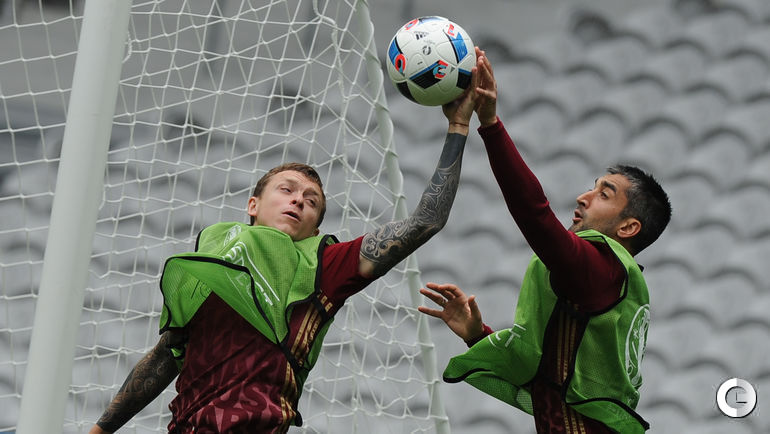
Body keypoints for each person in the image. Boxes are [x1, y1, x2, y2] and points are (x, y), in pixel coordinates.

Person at [88, 66, 481, 433]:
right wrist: (100, 429)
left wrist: (459, 126)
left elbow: (426, 221)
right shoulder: (213, 257)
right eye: (287, 190)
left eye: (311, 201)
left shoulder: (326, 264)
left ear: (316, 227)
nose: (298, 200)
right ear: (253, 205)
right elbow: (166, 355)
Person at [418, 48, 672, 433]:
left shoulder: (600, 269)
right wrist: (477, 335)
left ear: (628, 228)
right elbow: (552, 380)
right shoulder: (608, 284)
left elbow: (534, 214)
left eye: (604, 194)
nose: (583, 197)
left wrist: (490, 124)